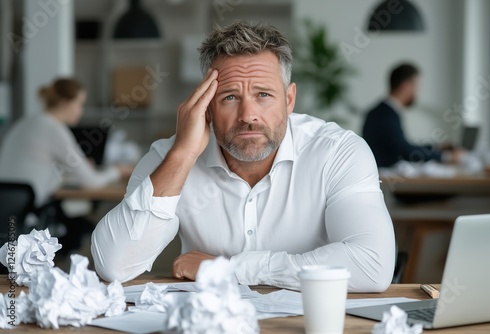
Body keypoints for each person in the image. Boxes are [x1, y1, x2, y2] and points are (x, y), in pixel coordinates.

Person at [91, 22, 395, 292]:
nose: (248, 116)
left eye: (263, 95)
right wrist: (183, 155)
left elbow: (372, 265)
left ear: (289, 99)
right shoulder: (172, 155)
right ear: (206, 105)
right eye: (230, 97)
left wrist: (227, 270)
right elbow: (114, 266)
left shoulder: (338, 152)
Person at [0, 78, 132, 253]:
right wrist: (117, 171)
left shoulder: (25, 123)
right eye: (79, 104)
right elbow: (91, 182)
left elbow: (35, 167)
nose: (80, 111)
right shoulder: (54, 129)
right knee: (85, 226)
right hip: (32, 218)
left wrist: (72, 168)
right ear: (64, 102)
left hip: (9, 213)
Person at [362, 63, 463, 168]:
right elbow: (405, 151)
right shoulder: (385, 115)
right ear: (405, 86)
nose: (417, 93)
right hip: (384, 176)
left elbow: (403, 145)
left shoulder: (382, 111)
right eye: (416, 87)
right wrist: (445, 157)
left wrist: (435, 147)